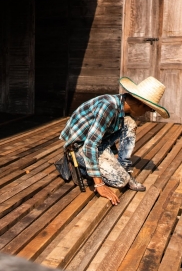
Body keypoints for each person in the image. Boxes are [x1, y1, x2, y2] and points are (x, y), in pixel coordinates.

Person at [60, 76, 170, 205]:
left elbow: (106, 135)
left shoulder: (121, 106)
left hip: (97, 144)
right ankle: (78, 166)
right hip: (79, 146)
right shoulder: (108, 106)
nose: (148, 112)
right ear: (141, 103)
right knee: (120, 181)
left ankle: (125, 169)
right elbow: (90, 145)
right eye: (149, 109)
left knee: (129, 122)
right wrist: (99, 184)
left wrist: (118, 163)